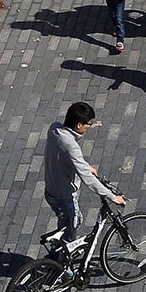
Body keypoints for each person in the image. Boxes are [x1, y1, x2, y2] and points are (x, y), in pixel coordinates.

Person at [41, 102, 125, 249]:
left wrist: (84, 165)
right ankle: (63, 264)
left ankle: (58, 243)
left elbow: (62, 155)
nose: (90, 126)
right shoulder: (72, 146)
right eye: (88, 123)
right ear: (79, 125)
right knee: (73, 224)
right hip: (64, 195)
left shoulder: (54, 128)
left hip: (51, 190)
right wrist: (111, 196)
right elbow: (87, 179)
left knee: (67, 221)